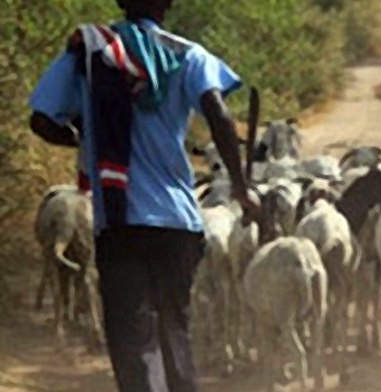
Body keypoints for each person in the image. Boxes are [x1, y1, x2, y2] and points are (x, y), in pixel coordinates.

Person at [28, 0, 258, 391]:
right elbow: (218, 113)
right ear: (168, 5)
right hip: (179, 221)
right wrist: (240, 185)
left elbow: (42, 120)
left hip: (120, 220)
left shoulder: (91, 50)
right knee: (175, 332)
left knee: (135, 342)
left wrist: (89, 140)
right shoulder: (189, 54)